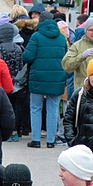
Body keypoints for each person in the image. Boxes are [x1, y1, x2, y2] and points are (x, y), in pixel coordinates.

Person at [22, 8, 68, 149]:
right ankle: (50, 140)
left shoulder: (36, 37)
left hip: (38, 78)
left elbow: (27, 57)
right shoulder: (61, 38)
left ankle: (36, 139)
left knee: (36, 108)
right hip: (57, 78)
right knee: (53, 109)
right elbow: (66, 58)